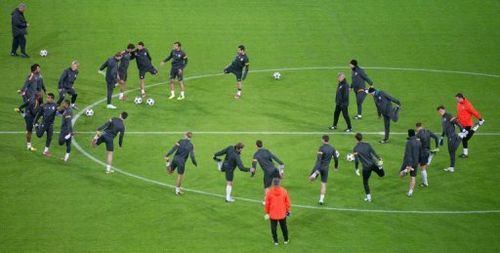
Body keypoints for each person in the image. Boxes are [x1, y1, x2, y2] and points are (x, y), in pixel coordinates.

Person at [352, 133, 384, 202]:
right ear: (362, 138)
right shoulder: (367, 145)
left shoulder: (355, 149)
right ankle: (380, 167)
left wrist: (356, 169)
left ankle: (369, 197)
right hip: (373, 164)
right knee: (382, 175)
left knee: (365, 182)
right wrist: (379, 158)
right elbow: (374, 152)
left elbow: (357, 160)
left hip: (366, 168)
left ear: (356, 139)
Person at [308, 135, 339, 205]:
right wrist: (336, 167)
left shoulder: (321, 148)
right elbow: (336, 159)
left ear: (323, 140)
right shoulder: (332, 148)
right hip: (326, 168)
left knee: (310, 179)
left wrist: (316, 169)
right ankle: (321, 200)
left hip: (319, 166)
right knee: (323, 184)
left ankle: (315, 174)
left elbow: (319, 160)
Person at [455, 93, 485, 158]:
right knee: (464, 139)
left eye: (457, 99)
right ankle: (465, 154)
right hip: (461, 124)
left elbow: (474, 112)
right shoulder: (459, 104)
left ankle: (477, 126)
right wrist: (457, 118)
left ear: (461, 98)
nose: (456, 100)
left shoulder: (467, 105)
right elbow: (459, 113)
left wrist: (480, 119)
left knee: (465, 138)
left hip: (467, 125)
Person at [437, 106, 465, 173]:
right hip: (449, 136)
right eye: (439, 112)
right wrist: (441, 137)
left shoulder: (448, 115)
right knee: (451, 152)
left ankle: (460, 137)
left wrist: (462, 129)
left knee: (452, 150)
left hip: (452, 136)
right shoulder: (443, 118)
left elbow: (456, 122)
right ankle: (451, 167)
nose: (440, 112)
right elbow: (444, 129)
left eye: (441, 111)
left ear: (444, 110)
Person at [264, 178, 291, 246]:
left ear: (273, 183)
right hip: (282, 213)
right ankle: (286, 240)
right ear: (279, 183)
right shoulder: (284, 191)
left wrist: (267, 212)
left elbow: (267, 204)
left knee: (273, 228)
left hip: (273, 214)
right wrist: (287, 211)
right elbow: (288, 203)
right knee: (284, 227)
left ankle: (276, 241)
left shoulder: (269, 192)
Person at [415, 122, 440, 187]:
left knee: (422, 168)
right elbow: (436, 137)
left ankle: (425, 183)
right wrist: (437, 147)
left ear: (417, 127)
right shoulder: (428, 131)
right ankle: (431, 156)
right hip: (428, 151)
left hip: (422, 153)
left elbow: (417, 145)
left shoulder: (418, 135)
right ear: (422, 126)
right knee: (423, 165)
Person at [399, 129, 421, 197]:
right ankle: (410, 192)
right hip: (416, 162)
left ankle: (406, 170)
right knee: (413, 177)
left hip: (409, 162)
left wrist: (408, 165)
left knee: (401, 175)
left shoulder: (409, 142)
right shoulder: (419, 142)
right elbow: (420, 153)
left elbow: (408, 154)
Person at [34, 93, 57, 157]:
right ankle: (37, 126)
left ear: (52, 99)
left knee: (49, 137)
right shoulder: (43, 105)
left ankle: (45, 151)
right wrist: (35, 122)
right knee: (39, 135)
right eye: (47, 97)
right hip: (44, 123)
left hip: (50, 124)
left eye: (49, 98)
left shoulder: (55, 105)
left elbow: (59, 111)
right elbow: (39, 114)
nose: (47, 99)